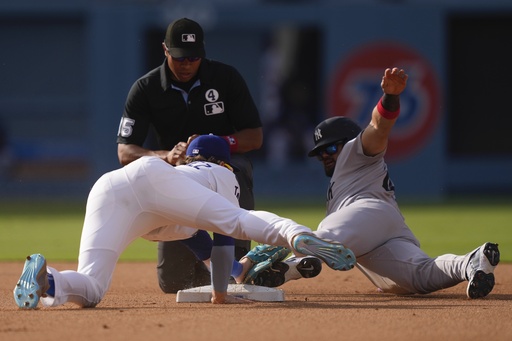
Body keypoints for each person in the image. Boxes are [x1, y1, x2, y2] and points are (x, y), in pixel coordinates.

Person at [13, 135, 356, 309]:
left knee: (92, 287)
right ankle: (296, 234)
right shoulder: (224, 173)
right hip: (156, 185)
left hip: (111, 187)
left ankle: (49, 282)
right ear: (224, 161)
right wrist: (220, 294)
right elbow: (223, 235)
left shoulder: (185, 178)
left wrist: (236, 272)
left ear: (192, 156)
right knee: (238, 221)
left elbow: (197, 239)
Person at [254, 67, 500, 299]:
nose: (324, 155)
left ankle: (286, 259)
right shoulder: (343, 174)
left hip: (368, 211)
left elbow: (378, 128)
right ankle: (472, 262)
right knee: (418, 277)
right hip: (384, 231)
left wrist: (389, 98)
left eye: (330, 147)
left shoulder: (356, 151)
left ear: (349, 141)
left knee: (322, 237)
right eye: (319, 153)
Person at [116, 18, 264, 293]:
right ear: (165, 50)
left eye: (193, 58)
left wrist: (213, 143)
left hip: (225, 160)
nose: (186, 65)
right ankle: (209, 267)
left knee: (239, 171)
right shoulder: (146, 88)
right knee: (173, 283)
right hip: (176, 169)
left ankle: (239, 263)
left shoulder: (225, 77)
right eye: (179, 58)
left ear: (203, 53)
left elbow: (254, 137)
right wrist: (166, 155)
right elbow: (125, 151)